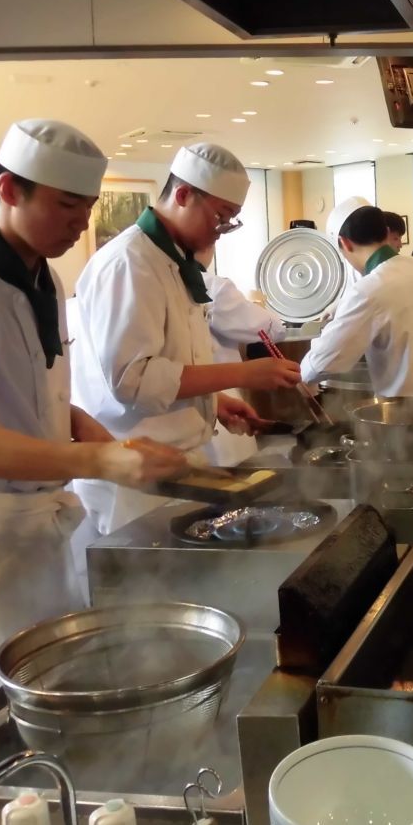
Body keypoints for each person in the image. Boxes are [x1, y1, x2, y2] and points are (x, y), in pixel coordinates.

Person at [0, 119, 189, 727]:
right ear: (8, 189)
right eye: (67, 206)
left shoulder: (42, 278)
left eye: (88, 207)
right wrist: (97, 460)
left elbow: (28, 391)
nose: (80, 223)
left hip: (35, 535)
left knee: (54, 706)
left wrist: (85, 427)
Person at [71, 143, 302, 534]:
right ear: (182, 195)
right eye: (220, 217)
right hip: (134, 472)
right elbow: (133, 380)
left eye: (231, 221)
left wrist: (215, 402)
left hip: (174, 464)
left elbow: (174, 360)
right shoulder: (130, 263)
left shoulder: (176, 263)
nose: (222, 231)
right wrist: (243, 375)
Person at [300, 199, 413, 399]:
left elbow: (323, 362)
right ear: (386, 232)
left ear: (345, 243)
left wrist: (300, 375)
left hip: (405, 410)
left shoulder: (369, 288)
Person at [195, 244, 287, 465]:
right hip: (220, 403)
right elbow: (272, 329)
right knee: (234, 475)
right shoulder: (213, 287)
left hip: (211, 405)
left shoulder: (153, 285)